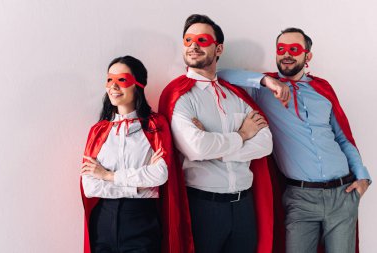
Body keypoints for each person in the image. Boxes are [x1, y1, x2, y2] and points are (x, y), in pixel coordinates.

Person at [217, 27, 371, 253]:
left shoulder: (322, 89)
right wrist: (265, 81)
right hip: (301, 198)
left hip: (343, 193)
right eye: (281, 49)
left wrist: (363, 176)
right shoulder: (263, 90)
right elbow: (220, 75)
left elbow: (343, 138)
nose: (286, 54)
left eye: (294, 49)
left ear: (307, 56)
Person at [159, 14, 275, 253]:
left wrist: (218, 151)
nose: (193, 46)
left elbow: (265, 144)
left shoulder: (235, 95)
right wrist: (242, 135)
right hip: (204, 208)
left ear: (218, 48)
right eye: (188, 40)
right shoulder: (180, 96)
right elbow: (196, 148)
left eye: (202, 40)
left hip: (243, 206)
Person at [80, 55, 194, 253]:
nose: (113, 87)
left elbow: (159, 175)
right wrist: (139, 187)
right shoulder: (98, 131)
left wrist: (107, 175)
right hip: (103, 223)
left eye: (121, 80)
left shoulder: (155, 126)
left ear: (138, 85)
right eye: (109, 80)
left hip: (141, 223)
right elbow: (90, 187)